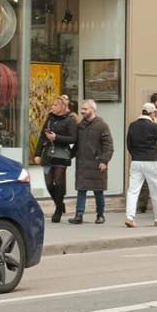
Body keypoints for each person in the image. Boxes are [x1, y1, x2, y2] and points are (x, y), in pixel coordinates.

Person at [34, 94, 78, 222]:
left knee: (58, 182)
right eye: (52, 105)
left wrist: (56, 138)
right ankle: (60, 203)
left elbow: (73, 138)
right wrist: (37, 154)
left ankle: (58, 210)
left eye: (55, 105)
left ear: (62, 107)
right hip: (48, 154)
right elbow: (42, 136)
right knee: (48, 183)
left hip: (61, 154)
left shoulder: (69, 120)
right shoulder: (49, 118)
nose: (52, 107)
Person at [125, 102, 157, 228]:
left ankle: (130, 217)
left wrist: (135, 155)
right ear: (152, 113)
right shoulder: (153, 126)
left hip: (136, 161)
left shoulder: (132, 125)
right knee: (155, 191)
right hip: (151, 161)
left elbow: (129, 144)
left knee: (133, 190)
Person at [73, 99, 114, 225]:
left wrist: (104, 161)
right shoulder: (80, 126)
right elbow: (75, 144)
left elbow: (108, 146)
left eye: (85, 109)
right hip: (83, 162)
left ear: (92, 109)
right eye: (82, 109)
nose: (82, 111)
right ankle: (79, 214)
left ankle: (100, 214)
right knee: (81, 189)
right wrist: (68, 156)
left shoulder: (102, 125)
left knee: (98, 190)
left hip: (97, 163)